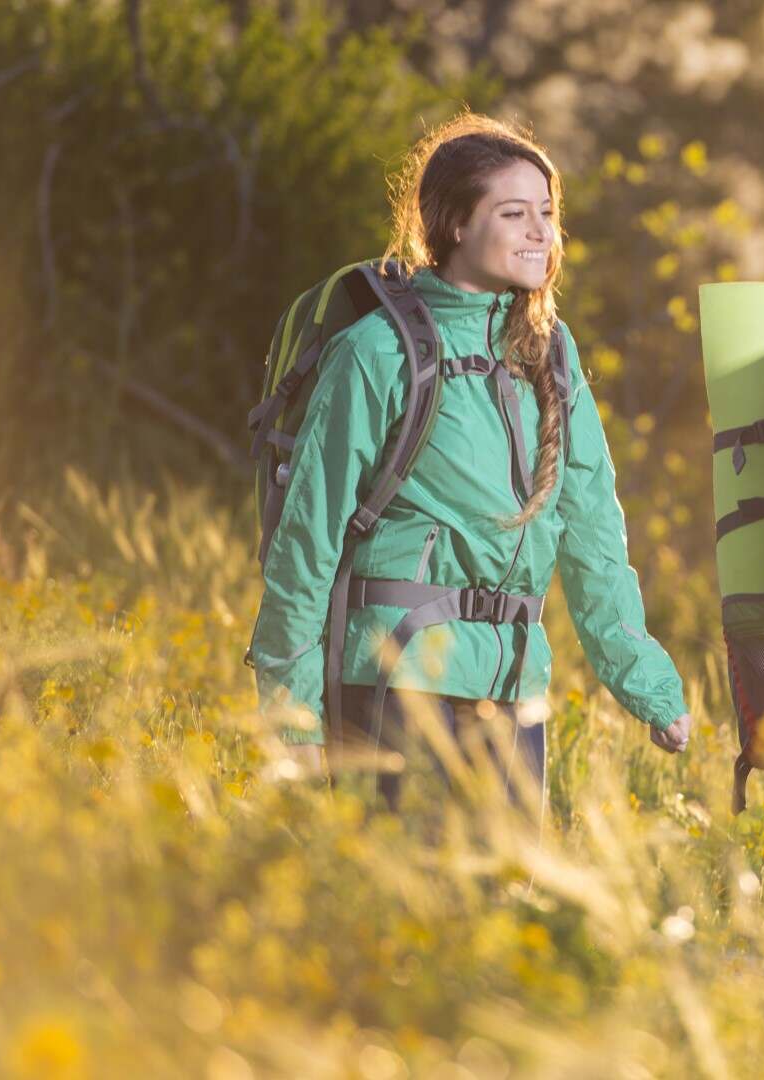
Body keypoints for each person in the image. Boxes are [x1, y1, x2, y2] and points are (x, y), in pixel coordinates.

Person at [250, 114, 692, 813]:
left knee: (509, 885)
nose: (540, 232)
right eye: (513, 214)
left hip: (514, 690)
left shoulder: (551, 354)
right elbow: (309, 535)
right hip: (396, 680)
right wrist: (291, 712)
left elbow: (592, 530)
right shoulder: (376, 351)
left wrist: (646, 682)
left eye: (547, 213)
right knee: (404, 885)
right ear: (455, 223)